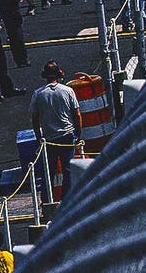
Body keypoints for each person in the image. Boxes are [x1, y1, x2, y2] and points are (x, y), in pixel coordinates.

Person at [30, 61, 83, 199]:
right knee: (68, 171)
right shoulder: (68, 91)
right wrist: (78, 132)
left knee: (48, 172)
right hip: (67, 135)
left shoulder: (38, 94)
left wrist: (38, 137)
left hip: (49, 139)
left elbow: (35, 119)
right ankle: (67, 200)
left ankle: (47, 201)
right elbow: (77, 114)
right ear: (59, 74)